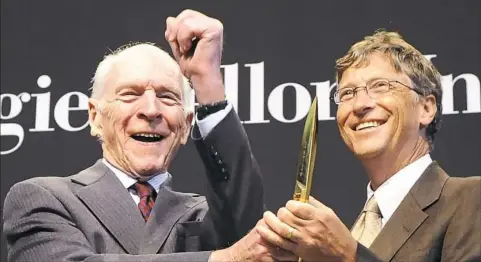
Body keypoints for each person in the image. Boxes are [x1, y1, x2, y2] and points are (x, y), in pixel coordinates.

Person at [3, 10, 294, 262]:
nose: (151, 110)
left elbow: (245, 225)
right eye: (130, 95)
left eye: (168, 97)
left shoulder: (201, 215)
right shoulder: (45, 199)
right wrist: (221, 259)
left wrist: (208, 83)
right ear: (94, 116)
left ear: (185, 124)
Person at [254, 31, 481, 261]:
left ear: (426, 108)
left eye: (381, 86)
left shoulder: (471, 200)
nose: (360, 104)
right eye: (347, 93)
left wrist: (346, 256)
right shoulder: (354, 230)